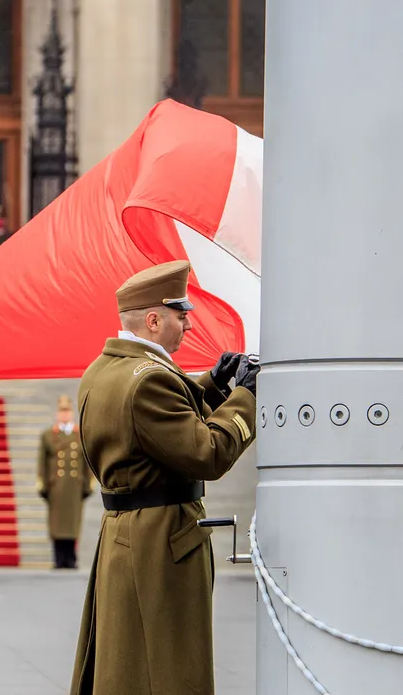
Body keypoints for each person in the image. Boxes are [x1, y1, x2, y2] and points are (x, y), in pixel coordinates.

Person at [69, 260, 258, 695]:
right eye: (181, 314)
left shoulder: (103, 371)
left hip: (126, 532)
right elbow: (207, 453)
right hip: (160, 538)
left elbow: (151, 426)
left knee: (127, 662)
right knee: (171, 664)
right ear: (154, 320)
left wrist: (214, 383)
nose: (188, 325)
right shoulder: (150, 380)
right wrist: (247, 397)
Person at [39, 394, 93, 569]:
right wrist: (42, 483)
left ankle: (71, 557)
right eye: (61, 411)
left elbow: (87, 462)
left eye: (67, 411)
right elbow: (42, 463)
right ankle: (58, 557)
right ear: (57, 414)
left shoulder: (80, 435)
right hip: (56, 486)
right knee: (56, 522)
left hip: (75, 485)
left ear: (71, 413)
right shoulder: (48, 435)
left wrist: (89, 483)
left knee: (73, 521)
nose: (64, 415)